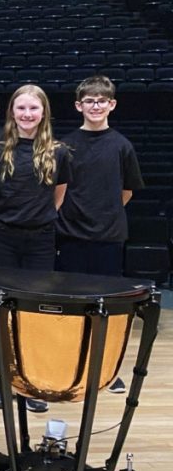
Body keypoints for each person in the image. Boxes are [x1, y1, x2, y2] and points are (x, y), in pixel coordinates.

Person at [0, 84, 72, 412]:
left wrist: (39, 218)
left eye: (34, 109)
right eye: (21, 109)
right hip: (3, 238)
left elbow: (58, 196)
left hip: (40, 240)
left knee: (34, 312)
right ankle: (1, 382)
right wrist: (1, 215)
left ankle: (32, 384)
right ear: (12, 113)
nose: (27, 114)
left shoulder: (59, 152)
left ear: (43, 112)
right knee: (2, 310)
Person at [55, 75, 144, 394]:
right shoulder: (65, 145)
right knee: (72, 304)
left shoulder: (122, 145)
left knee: (107, 306)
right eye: (89, 101)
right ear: (79, 105)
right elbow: (58, 191)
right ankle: (70, 363)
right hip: (71, 235)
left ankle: (105, 368)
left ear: (112, 104)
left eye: (101, 100)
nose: (95, 105)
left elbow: (127, 191)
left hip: (108, 236)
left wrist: (104, 213)